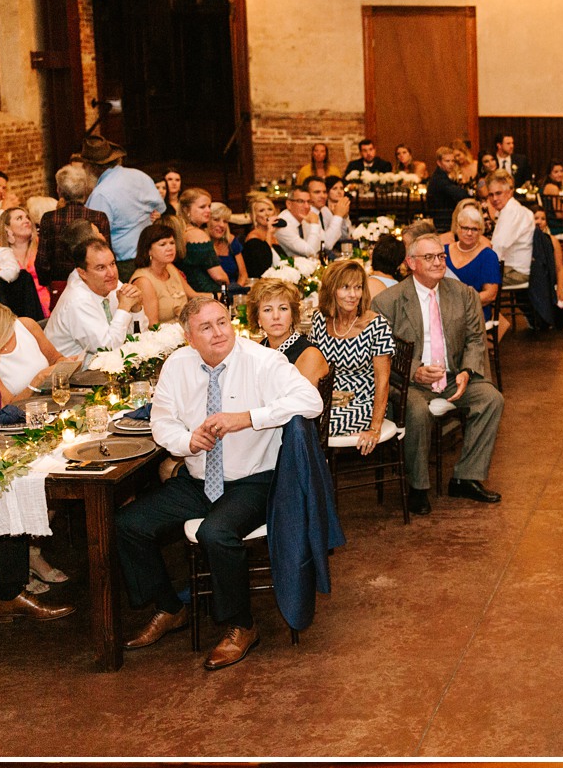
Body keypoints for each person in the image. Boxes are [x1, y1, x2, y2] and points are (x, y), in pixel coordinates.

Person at [117, 294, 325, 670]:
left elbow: (311, 401)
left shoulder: (263, 362)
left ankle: (241, 626)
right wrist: (185, 441)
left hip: (256, 479)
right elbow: (161, 421)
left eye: (222, 323)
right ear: (188, 336)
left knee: (216, 533)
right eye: (205, 328)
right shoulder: (177, 365)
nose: (217, 334)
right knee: (129, 525)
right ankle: (169, 607)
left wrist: (248, 417)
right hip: (199, 478)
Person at [373, 229, 505, 513]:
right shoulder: (389, 302)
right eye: (429, 257)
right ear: (411, 263)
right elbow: (383, 352)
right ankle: (418, 487)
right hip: (409, 383)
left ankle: (465, 477)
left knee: (491, 399)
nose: (437, 262)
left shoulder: (463, 294)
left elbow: (474, 339)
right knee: (418, 411)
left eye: (441, 256)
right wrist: (414, 371)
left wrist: (467, 371)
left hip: (453, 376)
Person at [309, 256, 394, 453]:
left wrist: (375, 428)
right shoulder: (320, 319)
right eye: (345, 287)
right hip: (326, 395)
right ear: (332, 290)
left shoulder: (376, 326)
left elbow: (383, 381)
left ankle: (316, 478)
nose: (353, 295)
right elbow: (313, 366)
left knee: (316, 424)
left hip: (363, 400)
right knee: (294, 416)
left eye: (358, 287)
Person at [44, 236, 144, 355]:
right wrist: (123, 308)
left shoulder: (112, 285)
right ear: (82, 273)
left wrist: (136, 309)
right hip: (74, 371)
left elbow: (137, 338)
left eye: (112, 264)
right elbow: (107, 348)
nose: (111, 273)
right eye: (101, 268)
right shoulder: (78, 300)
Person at [32, 164, 112, 286]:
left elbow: (42, 262)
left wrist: (48, 284)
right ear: (85, 191)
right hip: (93, 283)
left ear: (59, 191)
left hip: (61, 285)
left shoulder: (50, 218)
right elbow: (107, 253)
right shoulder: (99, 217)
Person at [85, 158, 167, 271]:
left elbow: (95, 234)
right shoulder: (140, 176)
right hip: (149, 255)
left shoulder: (101, 193)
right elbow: (160, 208)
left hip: (124, 262)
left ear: (92, 168)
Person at [443, 200, 503, 325]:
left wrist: (461, 304)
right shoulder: (444, 251)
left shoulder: (488, 256)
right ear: (457, 228)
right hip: (443, 310)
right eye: (465, 228)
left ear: (480, 231)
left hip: (474, 312)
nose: (469, 233)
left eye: (474, 229)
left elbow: (490, 295)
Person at [128, 218, 193, 325]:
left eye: (172, 243)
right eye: (163, 244)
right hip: (163, 338)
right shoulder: (143, 281)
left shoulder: (170, 268)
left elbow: (192, 295)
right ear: (148, 250)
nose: (170, 248)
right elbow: (152, 326)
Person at [426, 145, 469, 230]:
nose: (451, 164)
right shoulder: (439, 179)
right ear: (439, 163)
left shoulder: (441, 176)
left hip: (444, 219)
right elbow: (462, 194)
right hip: (443, 222)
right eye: (447, 161)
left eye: (453, 161)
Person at [241, 192, 282, 280]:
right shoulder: (253, 238)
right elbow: (263, 265)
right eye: (261, 211)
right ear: (254, 216)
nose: (267, 213)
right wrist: (269, 234)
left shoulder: (273, 236)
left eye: (269, 209)